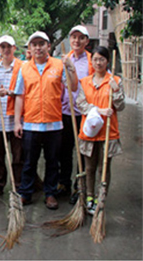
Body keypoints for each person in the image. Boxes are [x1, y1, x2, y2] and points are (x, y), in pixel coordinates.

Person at [13, 31, 78, 210]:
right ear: (30, 48)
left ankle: (50, 194)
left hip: (54, 124)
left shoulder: (59, 65)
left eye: (41, 43)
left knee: (52, 161)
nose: (38, 47)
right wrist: (18, 122)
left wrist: (70, 67)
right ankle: (25, 193)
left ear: (48, 46)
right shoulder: (24, 68)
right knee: (29, 162)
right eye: (34, 44)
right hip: (31, 123)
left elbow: (73, 87)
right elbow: (20, 96)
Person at [75, 46, 125, 215]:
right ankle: (89, 197)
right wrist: (99, 110)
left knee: (104, 167)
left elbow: (120, 106)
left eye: (102, 59)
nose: (98, 62)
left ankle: (101, 196)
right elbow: (81, 104)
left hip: (107, 132)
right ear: (92, 61)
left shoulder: (115, 81)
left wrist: (116, 90)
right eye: (95, 59)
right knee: (89, 167)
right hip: (89, 132)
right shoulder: (85, 81)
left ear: (107, 61)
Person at [58, 25, 95, 203]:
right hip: (66, 111)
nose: (77, 41)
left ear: (86, 41)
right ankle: (63, 183)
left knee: (82, 151)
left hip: (84, 113)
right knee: (64, 150)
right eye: (74, 37)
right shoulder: (64, 59)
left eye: (81, 38)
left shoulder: (91, 60)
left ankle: (79, 187)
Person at [0, 35, 23, 196]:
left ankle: (19, 184)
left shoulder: (22, 67)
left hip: (16, 116)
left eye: (9, 46)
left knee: (18, 155)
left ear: (14, 48)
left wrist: (9, 92)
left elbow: (25, 91)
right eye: (3, 47)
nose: (6, 50)